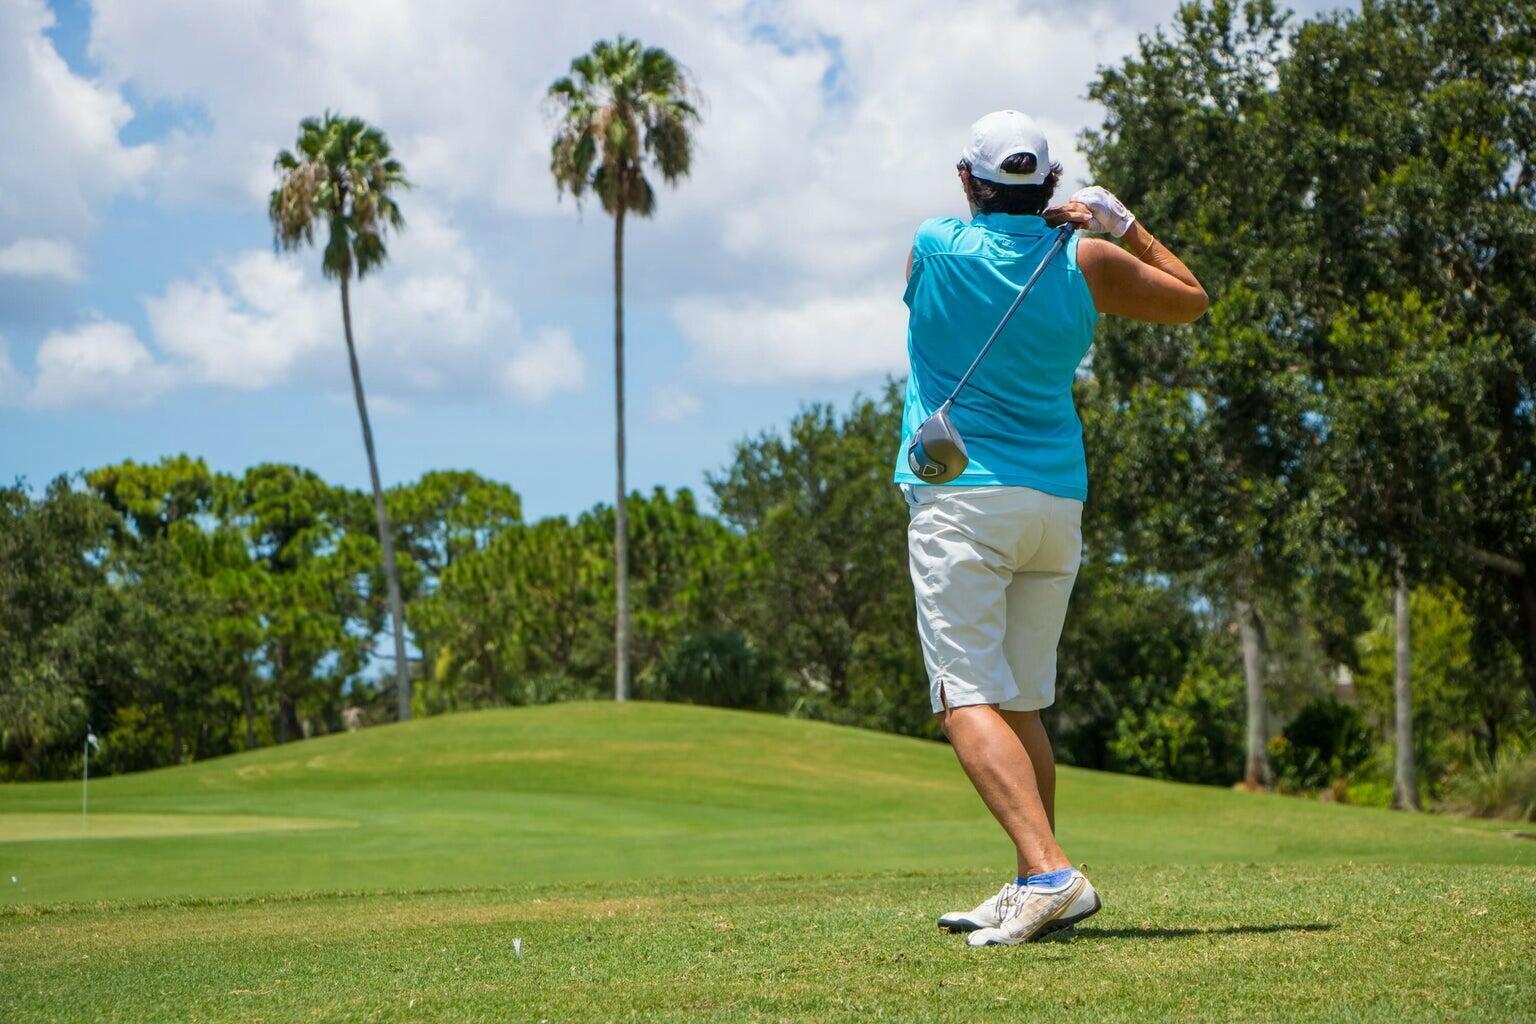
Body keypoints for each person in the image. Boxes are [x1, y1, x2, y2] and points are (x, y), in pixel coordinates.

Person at [896, 110, 1208, 947]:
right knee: (1023, 701)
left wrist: (1025, 216)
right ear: (1055, 185)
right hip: (1054, 509)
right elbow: (1191, 299)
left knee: (965, 698)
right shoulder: (1090, 260)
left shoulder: (936, 244)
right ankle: (1036, 876)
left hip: (964, 503)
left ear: (969, 181)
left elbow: (957, 256)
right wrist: (1122, 225)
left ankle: (1049, 871)